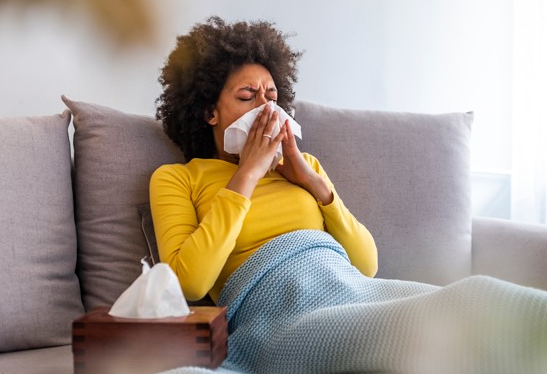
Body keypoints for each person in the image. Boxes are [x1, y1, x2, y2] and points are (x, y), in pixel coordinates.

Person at [150, 17, 378, 303]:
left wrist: (312, 182)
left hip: (345, 292)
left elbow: (367, 267)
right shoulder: (178, 179)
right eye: (247, 96)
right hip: (273, 313)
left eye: (272, 96)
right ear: (210, 113)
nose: (266, 108)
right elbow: (189, 284)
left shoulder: (304, 166)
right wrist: (246, 175)